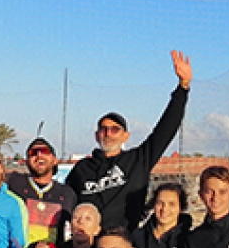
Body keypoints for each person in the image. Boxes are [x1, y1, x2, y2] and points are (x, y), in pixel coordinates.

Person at [66, 50, 192, 231]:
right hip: (89, 245)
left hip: (124, 245)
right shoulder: (81, 169)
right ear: (96, 135)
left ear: (126, 136)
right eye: (103, 129)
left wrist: (183, 86)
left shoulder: (138, 160)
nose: (108, 133)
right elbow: (63, 203)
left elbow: (167, 128)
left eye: (115, 129)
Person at [7, 137, 76, 245]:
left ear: (54, 160)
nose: (39, 155)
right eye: (33, 153)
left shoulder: (67, 193)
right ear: (27, 161)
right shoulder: (14, 183)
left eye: (45, 151)